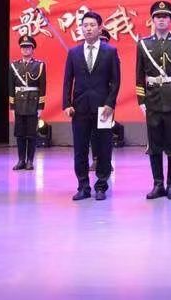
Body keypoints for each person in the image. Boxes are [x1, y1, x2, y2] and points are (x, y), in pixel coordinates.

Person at [134, 1, 171, 200]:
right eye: (158, 16)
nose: (161, 20)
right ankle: (158, 184)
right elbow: (139, 75)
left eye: (165, 16)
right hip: (152, 100)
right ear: (152, 19)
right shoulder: (144, 44)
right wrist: (141, 100)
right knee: (154, 145)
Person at [63, 11, 121, 201]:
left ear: (100, 28)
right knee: (80, 149)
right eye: (85, 25)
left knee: (104, 148)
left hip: (104, 109)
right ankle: (83, 186)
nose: (88, 29)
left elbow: (116, 81)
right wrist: (66, 104)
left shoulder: (110, 51)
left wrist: (110, 103)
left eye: (92, 25)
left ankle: (101, 186)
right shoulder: (74, 52)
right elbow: (68, 80)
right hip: (79, 109)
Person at [9, 35, 46, 171]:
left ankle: (30, 161)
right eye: (23, 47)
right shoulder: (14, 66)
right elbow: (11, 88)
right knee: (20, 134)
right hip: (19, 104)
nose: (25, 49)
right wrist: (12, 106)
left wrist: (40, 106)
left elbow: (42, 87)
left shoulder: (39, 65)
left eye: (28, 47)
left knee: (31, 134)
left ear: (33, 49)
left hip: (32, 103)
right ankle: (21, 160)